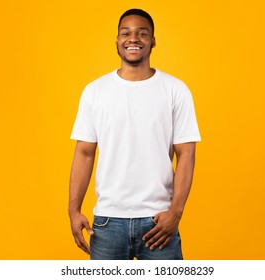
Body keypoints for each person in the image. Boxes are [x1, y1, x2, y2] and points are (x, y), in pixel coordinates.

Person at [68, 8, 201, 260]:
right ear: (117, 41)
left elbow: (187, 154)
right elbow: (84, 153)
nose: (133, 39)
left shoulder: (175, 90)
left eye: (142, 33)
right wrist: (73, 210)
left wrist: (176, 212)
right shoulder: (95, 91)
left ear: (153, 41)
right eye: (126, 33)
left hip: (159, 221)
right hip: (108, 222)